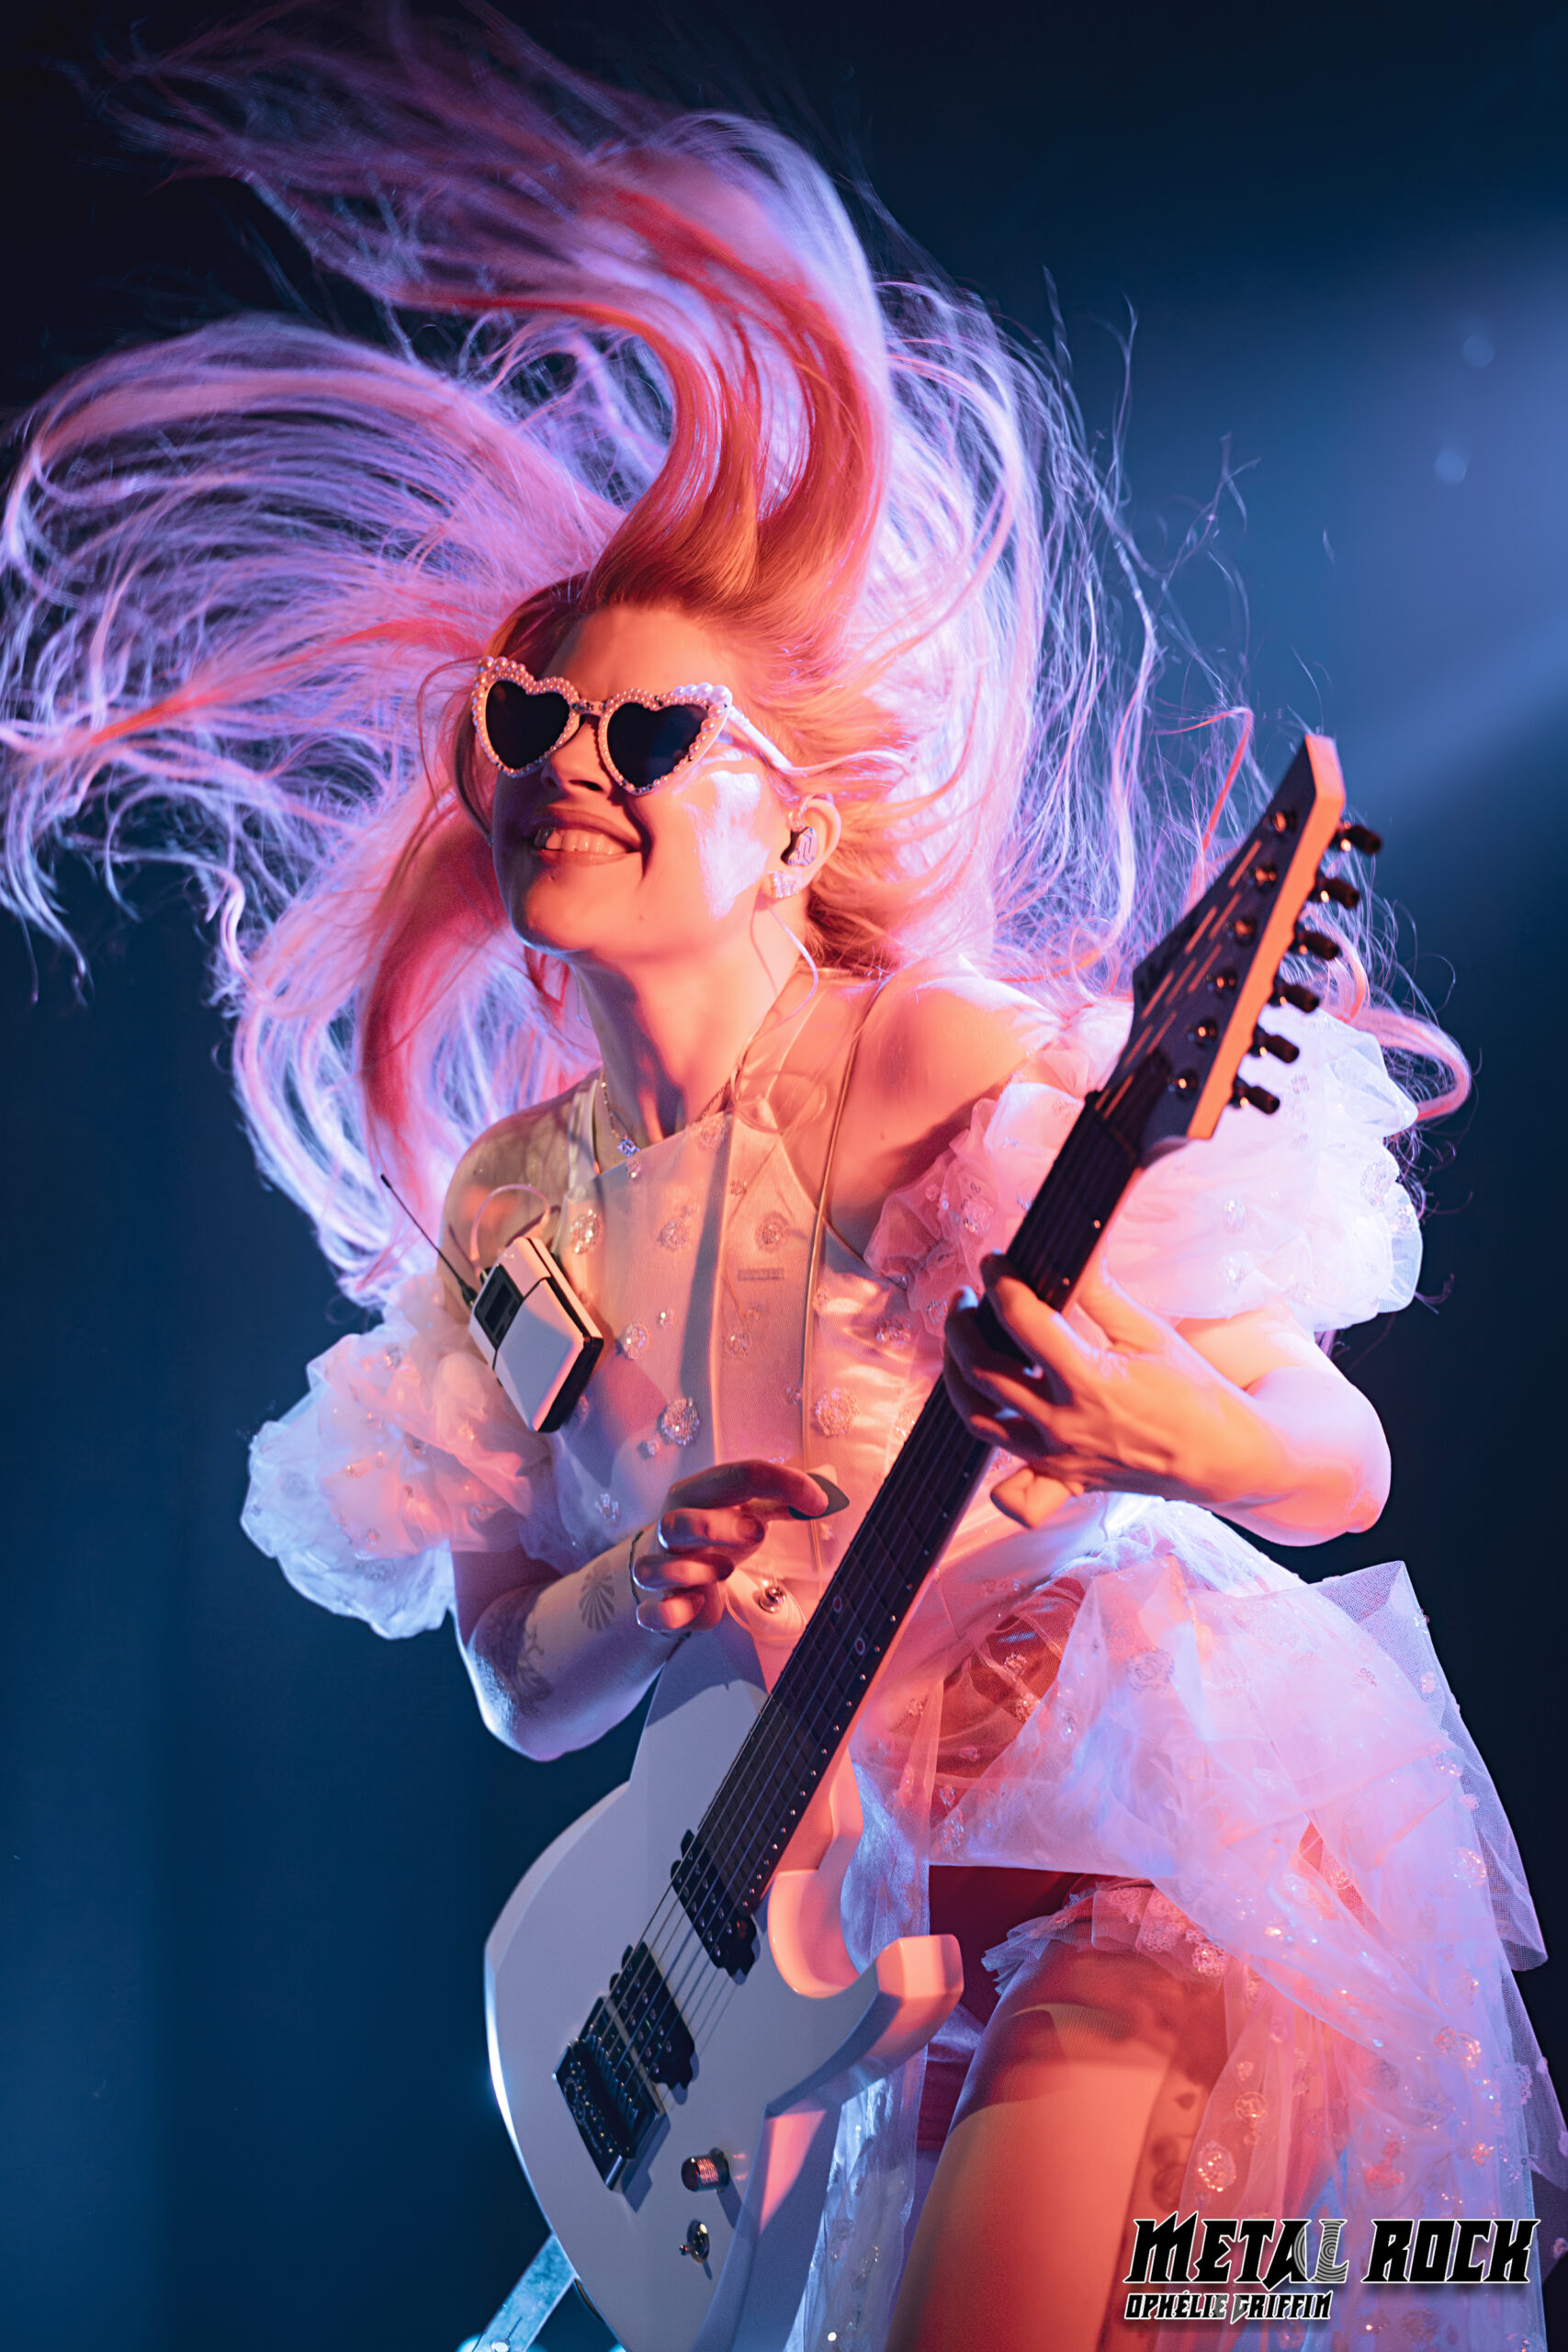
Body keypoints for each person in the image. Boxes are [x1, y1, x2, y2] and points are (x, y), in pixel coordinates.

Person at [1, 17, 1560, 2350]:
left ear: (791, 828)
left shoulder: (933, 1065)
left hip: (1128, 1821)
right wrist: (639, 1580)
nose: (567, 762)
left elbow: (1332, 1457)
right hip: (823, 1929)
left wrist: (1143, 1424)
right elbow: (517, 1673)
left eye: (644, 731)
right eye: (525, 722)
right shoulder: (520, 1211)